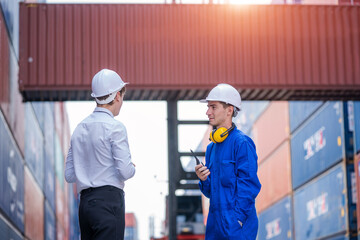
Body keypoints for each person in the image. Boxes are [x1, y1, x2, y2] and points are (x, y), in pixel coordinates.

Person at [65, 69, 136, 240]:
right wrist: (131, 167)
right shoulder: (116, 128)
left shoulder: (79, 129)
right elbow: (125, 172)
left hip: (85, 206)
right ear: (118, 95)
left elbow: (69, 175)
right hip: (108, 203)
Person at [195, 83, 261, 240]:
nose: (208, 112)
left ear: (229, 110)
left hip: (237, 229)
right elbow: (210, 192)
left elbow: (249, 187)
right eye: (208, 107)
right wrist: (204, 179)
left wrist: (236, 221)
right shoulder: (212, 148)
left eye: (213, 107)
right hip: (214, 228)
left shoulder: (242, 143)